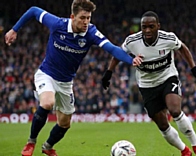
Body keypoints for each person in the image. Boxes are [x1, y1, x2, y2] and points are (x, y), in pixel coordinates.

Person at [5, 0, 143, 156]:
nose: (86, 22)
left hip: (66, 82)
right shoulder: (58, 24)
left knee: (64, 124)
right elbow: (34, 10)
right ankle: (31, 142)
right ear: (72, 16)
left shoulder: (91, 33)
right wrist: (14, 30)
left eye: (88, 18)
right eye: (82, 18)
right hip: (47, 74)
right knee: (47, 103)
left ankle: (48, 147)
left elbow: (111, 48)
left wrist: (131, 60)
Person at [102, 11, 196, 156]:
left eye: (151, 26)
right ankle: (185, 150)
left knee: (175, 110)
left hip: (168, 78)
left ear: (158, 26)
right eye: (143, 27)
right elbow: (118, 54)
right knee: (163, 125)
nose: (147, 30)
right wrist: (109, 73)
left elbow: (182, 48)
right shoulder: (132, 41)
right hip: (147, 86)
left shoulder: (168, 38)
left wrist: (194, 68)